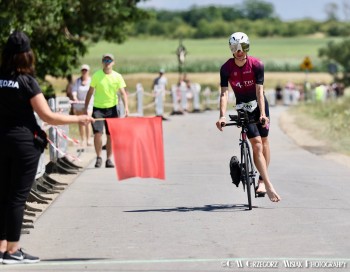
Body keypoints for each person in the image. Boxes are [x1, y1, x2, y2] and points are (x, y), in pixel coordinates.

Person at [0, 31, 94, 264]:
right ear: (28, 55)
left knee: (3, 195)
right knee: (18, 197)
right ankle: (13, 250)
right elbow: (48, 116)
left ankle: (2, 246)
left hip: (1, 141)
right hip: (23, 143)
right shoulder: (27, 81)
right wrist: (79, 119)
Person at [216, 32, 281, 203]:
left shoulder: (257, 65)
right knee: (257, 144)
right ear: (232, 49)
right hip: (243, 107)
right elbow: (224, 94)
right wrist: (222, 116)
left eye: (243, 47)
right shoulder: (226, 68)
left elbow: (259, 91)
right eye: (236, 48)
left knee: (265, 142)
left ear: (248, 48)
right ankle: (268, 185)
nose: (240, 51)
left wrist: (262, 114)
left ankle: (260, 180)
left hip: (259, 105)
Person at [85, 53, 129, 168]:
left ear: (113, 63)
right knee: (98, 134)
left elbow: (123, 93)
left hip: (112, 109)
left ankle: (109, 159)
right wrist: (86, 108)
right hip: (98, 109)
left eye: (109, 60)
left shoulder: (117, 76)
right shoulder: (96, 75)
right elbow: (90, 92)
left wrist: (126, 108)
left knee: (111, 135)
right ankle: (99, 157)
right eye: (105, 60)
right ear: (102, 62)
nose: (107, 62)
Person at [72, 64, 93, 147]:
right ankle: (83, 139)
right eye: (83, 70)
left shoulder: (91, 81)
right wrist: (74, 97)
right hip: (79, 104)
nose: (84, 72)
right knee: (81, 122)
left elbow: (92, 92)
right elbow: (74, 90)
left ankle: (88, 139)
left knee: (87, 121)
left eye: (86, 70)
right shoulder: (77, 81)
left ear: (88, 71)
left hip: (89, 104)